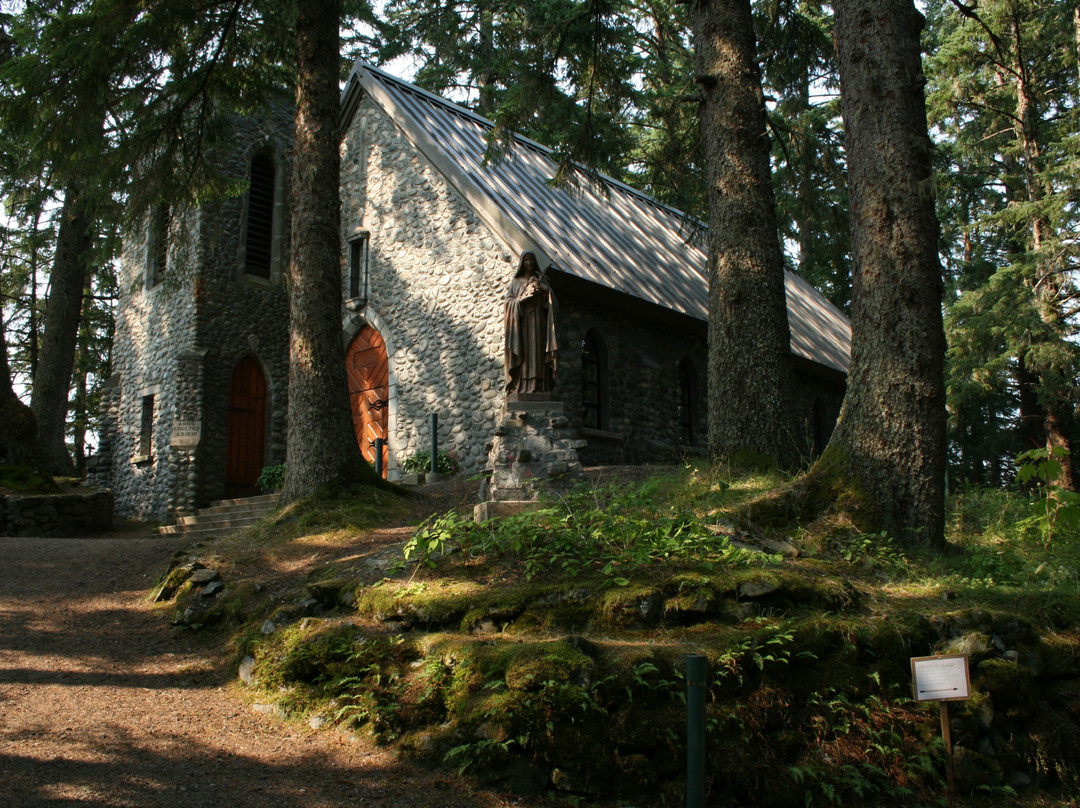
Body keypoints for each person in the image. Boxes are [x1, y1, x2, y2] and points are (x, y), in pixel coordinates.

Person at [503, 252, 557, 394]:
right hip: (523, 324)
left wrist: (546, 291)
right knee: (526, 352)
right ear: (522, 263)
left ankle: (540, 384)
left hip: (539, 322)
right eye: (526, 260)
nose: (529, 263)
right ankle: (521, 385)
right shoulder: (516, 282)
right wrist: (522, 299)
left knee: (538, 351)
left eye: (531, 260)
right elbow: (508, 303)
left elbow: (552, 304)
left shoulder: (541, 281)